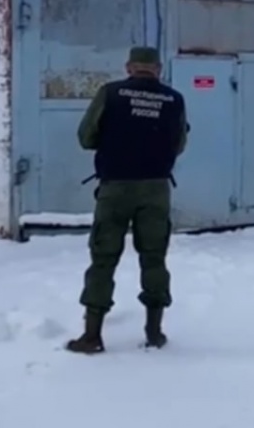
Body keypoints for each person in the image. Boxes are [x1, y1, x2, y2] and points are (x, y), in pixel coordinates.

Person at [65, 46, 189, 354]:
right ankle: (154, 331)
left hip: (115, 187)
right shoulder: (174, 100)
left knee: (103, 258)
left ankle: (92, 335)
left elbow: (85, 137)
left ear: (130, 67)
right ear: (157, 69)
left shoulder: (111, 94)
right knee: (154, 257)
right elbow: (179, 144)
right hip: (156, 188)